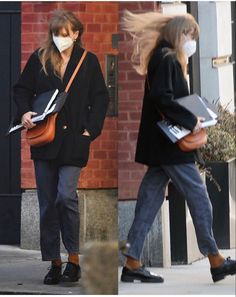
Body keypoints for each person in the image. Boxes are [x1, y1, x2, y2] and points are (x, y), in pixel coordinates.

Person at [120, 10, 236, 283]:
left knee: (149, 202)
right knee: (199, 198)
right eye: (190, 35)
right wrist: (191, 120)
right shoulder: (168, 58)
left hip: (160, 146)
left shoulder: (160, 56)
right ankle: (215, 259)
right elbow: (163, 97)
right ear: (179, 34)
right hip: (171, 147)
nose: (192, 41)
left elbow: (162, 97)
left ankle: (132, 261)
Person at [13, 10, 109, 285]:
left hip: (74, 140)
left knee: (65, 195)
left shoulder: (88, 62)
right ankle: (55, 262)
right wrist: (24, 113)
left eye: (65, 34)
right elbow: (21, 90)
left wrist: (90, 130)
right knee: (46, 203)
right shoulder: (40, 58)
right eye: (56, 34)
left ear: (76, 34)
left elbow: (100, 98)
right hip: (44, 139)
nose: (60, 39)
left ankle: (74, 259)